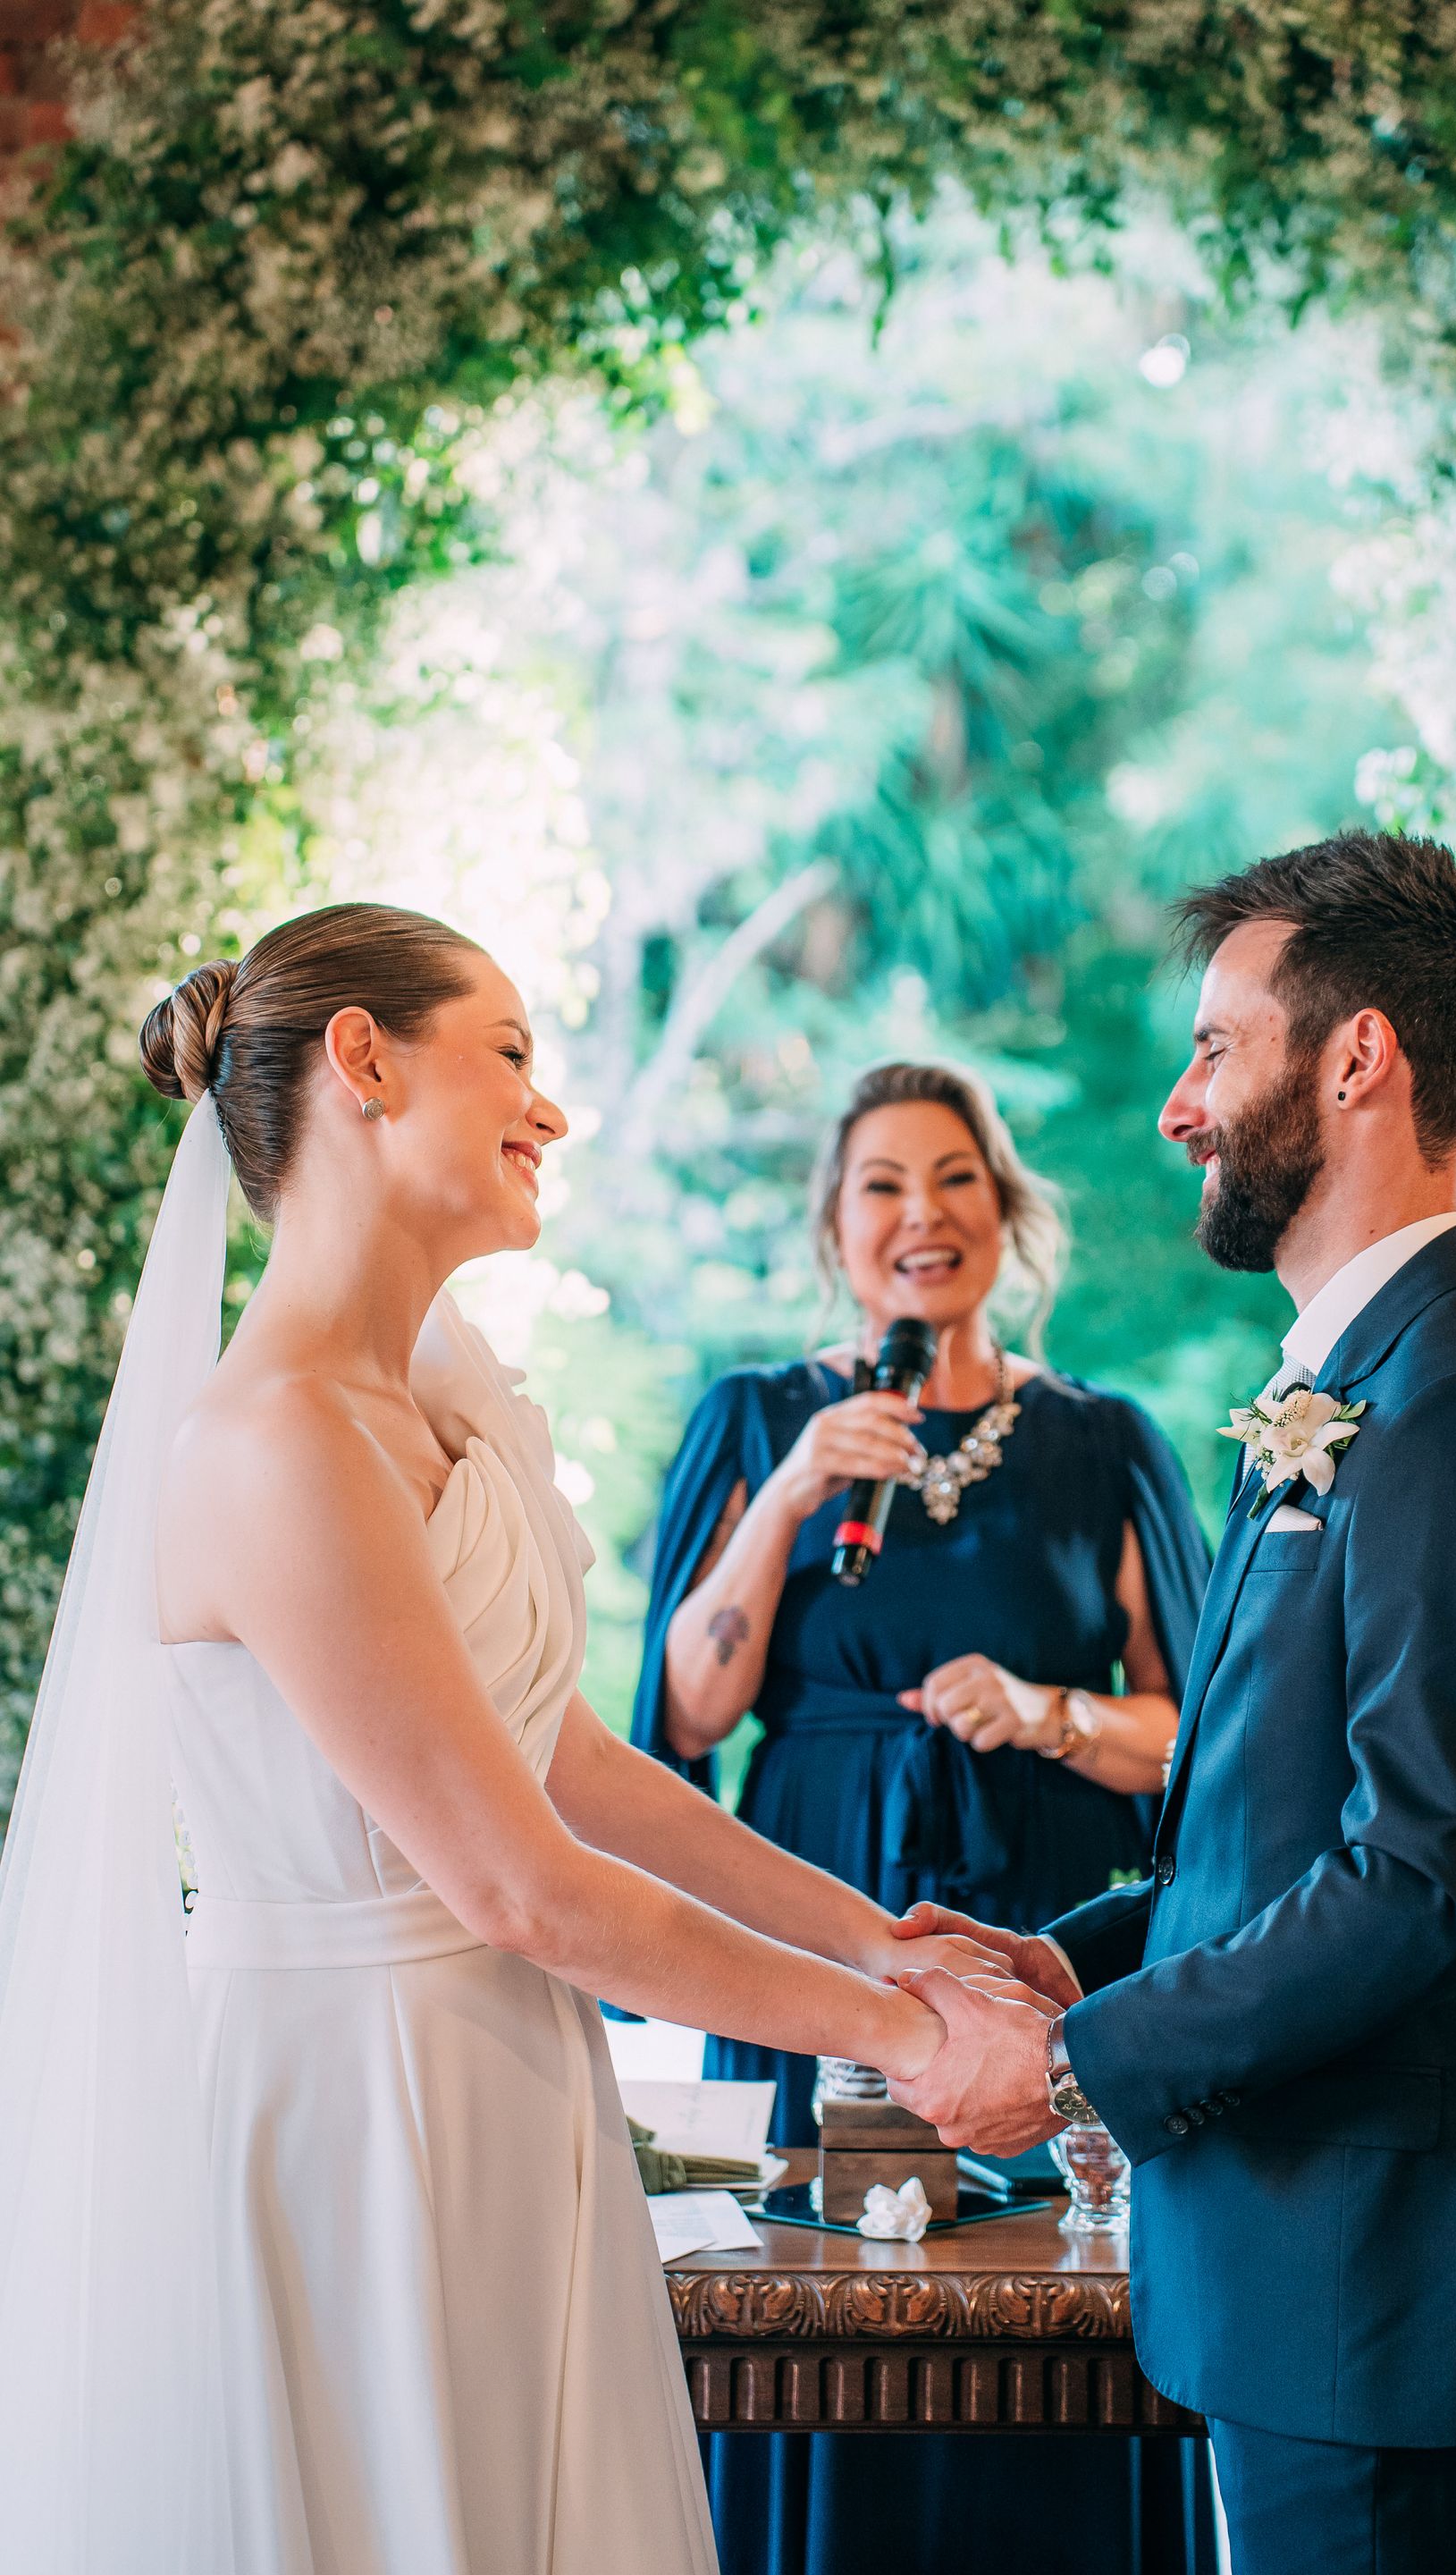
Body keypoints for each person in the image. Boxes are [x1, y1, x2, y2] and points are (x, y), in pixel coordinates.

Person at [0, 903, 1028, 2575]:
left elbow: (566, 1761)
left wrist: (883, 1944)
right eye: (511, 1057)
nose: (549, 1112)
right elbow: (524, 1886)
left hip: (498, 2077)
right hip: (355, 2110)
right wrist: (904, 2046)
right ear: (364, 1064)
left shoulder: (438, 1403)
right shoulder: (274, 1443)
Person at [891, 830, 1456, 2575]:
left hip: (1372, 2285)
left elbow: (1431, 1876)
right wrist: (1075, 1958)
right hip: (1300, 2282)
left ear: (1358, 1055)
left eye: (1217, 1045)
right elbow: (1288, 1824)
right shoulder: (1353, 1381)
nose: (1177, 1104)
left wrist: (1075, 2064)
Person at [633, 1060, 1215, 2575]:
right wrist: (787, 1495)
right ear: (836, 1229)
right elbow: (690, 1714)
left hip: (1038, 1920)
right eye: (883, 1185)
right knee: (817, 2334)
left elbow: (1205, 1749)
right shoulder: (761, 1418)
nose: (921, 1214)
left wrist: (1048, 1716)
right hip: (810, 1928)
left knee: (1057, 2332)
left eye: (955, 1178)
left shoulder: (1107, 1442)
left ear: (1006, 1213)